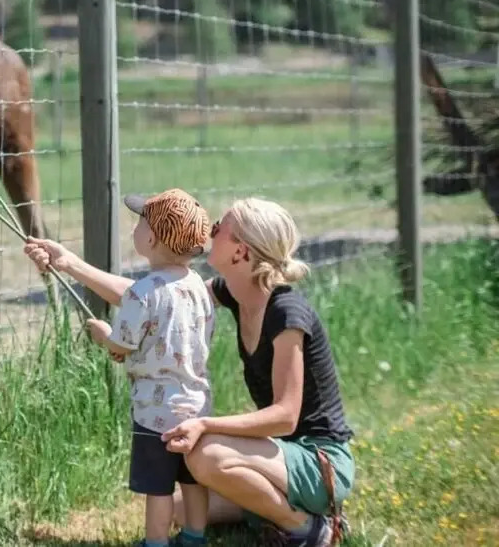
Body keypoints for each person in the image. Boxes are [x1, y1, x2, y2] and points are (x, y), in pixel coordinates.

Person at [24, 188, 216, 547]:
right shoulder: (198, 288)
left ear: (152, 239)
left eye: (140, 222)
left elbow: (121, 346)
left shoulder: (143, 293)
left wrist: (104, 336)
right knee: (192, 479)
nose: (134, 227)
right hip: (196, 405)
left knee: (158, 486)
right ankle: (194, 536)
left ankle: (155, 542)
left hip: (154, 412)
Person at [160, 196, 355, 547]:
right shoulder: (237, 294)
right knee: (181, 509)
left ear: (241, 252)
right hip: (282, 455)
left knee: (206, 454)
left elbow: (285, 417)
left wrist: (206, 424)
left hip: (320, 462)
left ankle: (307, 529)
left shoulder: (286, 313)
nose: (210, 232)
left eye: (218, 228)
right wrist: (71, 264)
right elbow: (159, 299)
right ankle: (281, 512)